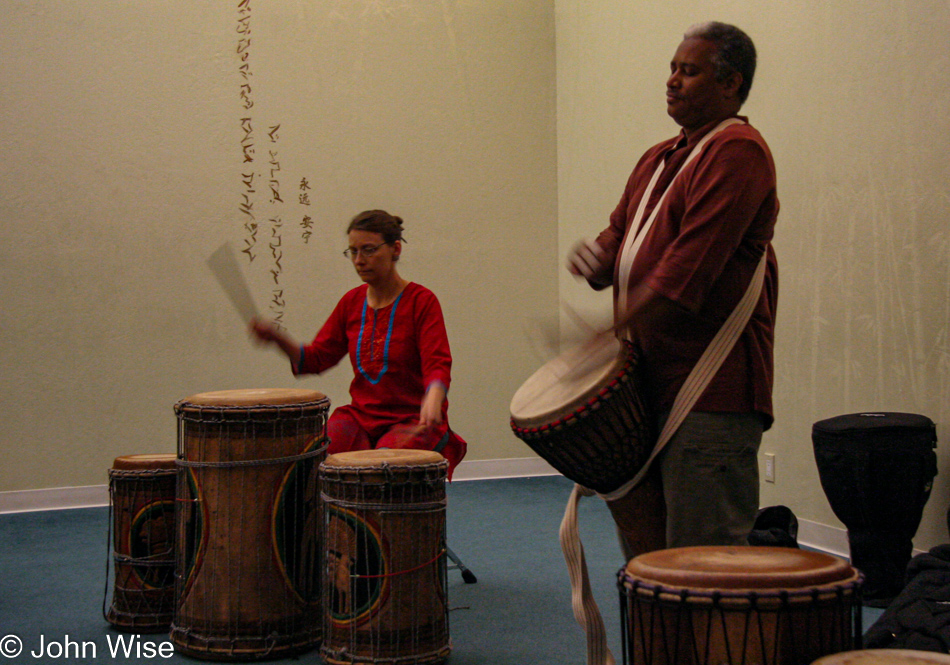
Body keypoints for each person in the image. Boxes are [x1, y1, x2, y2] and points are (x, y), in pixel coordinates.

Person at [567, 22, 779, 551]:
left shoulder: (738, 153)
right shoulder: (660, 157)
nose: (672, 81)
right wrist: (594, 261)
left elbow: (685, 277)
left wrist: (604, 332)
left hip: (710, 391)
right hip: (649, 384)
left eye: (689, 71)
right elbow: (617, 237)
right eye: (672, 68)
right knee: (651, 558)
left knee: (704, 561)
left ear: (730, 84)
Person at [250, 209, 466, 477]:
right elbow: (317, 358)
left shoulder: (421, 301)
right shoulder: (351, 303)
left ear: (395, 249)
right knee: (316, 453)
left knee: (384, 468)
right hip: (362, 417)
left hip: (411, 418)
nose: (359, 260)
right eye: (353, 252)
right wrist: (277, 338)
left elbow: (437, 362)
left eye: (369, 250)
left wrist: (433, 397)